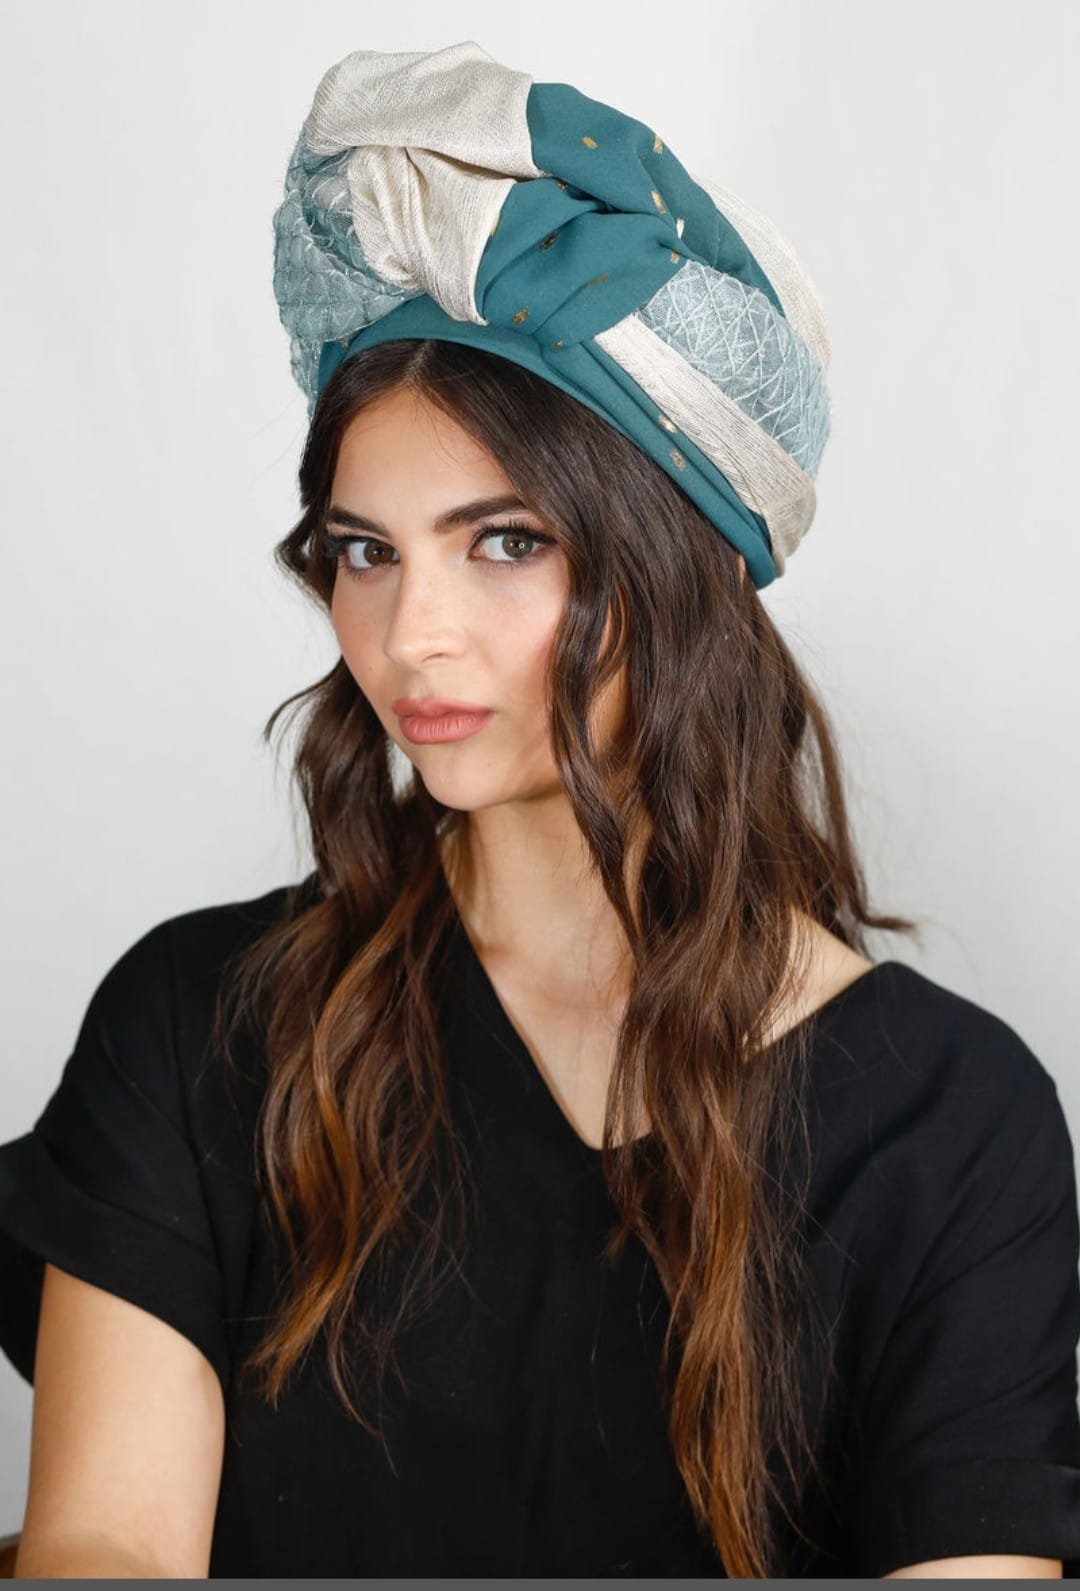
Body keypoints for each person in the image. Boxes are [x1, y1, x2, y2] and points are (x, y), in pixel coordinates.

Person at [1, 39, 1077, 1580]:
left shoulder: (948, 1122)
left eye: (504, 542)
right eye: (365, 551)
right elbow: (103, 1542)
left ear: (675, 569)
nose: (410, 634)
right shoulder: (198, 1028)